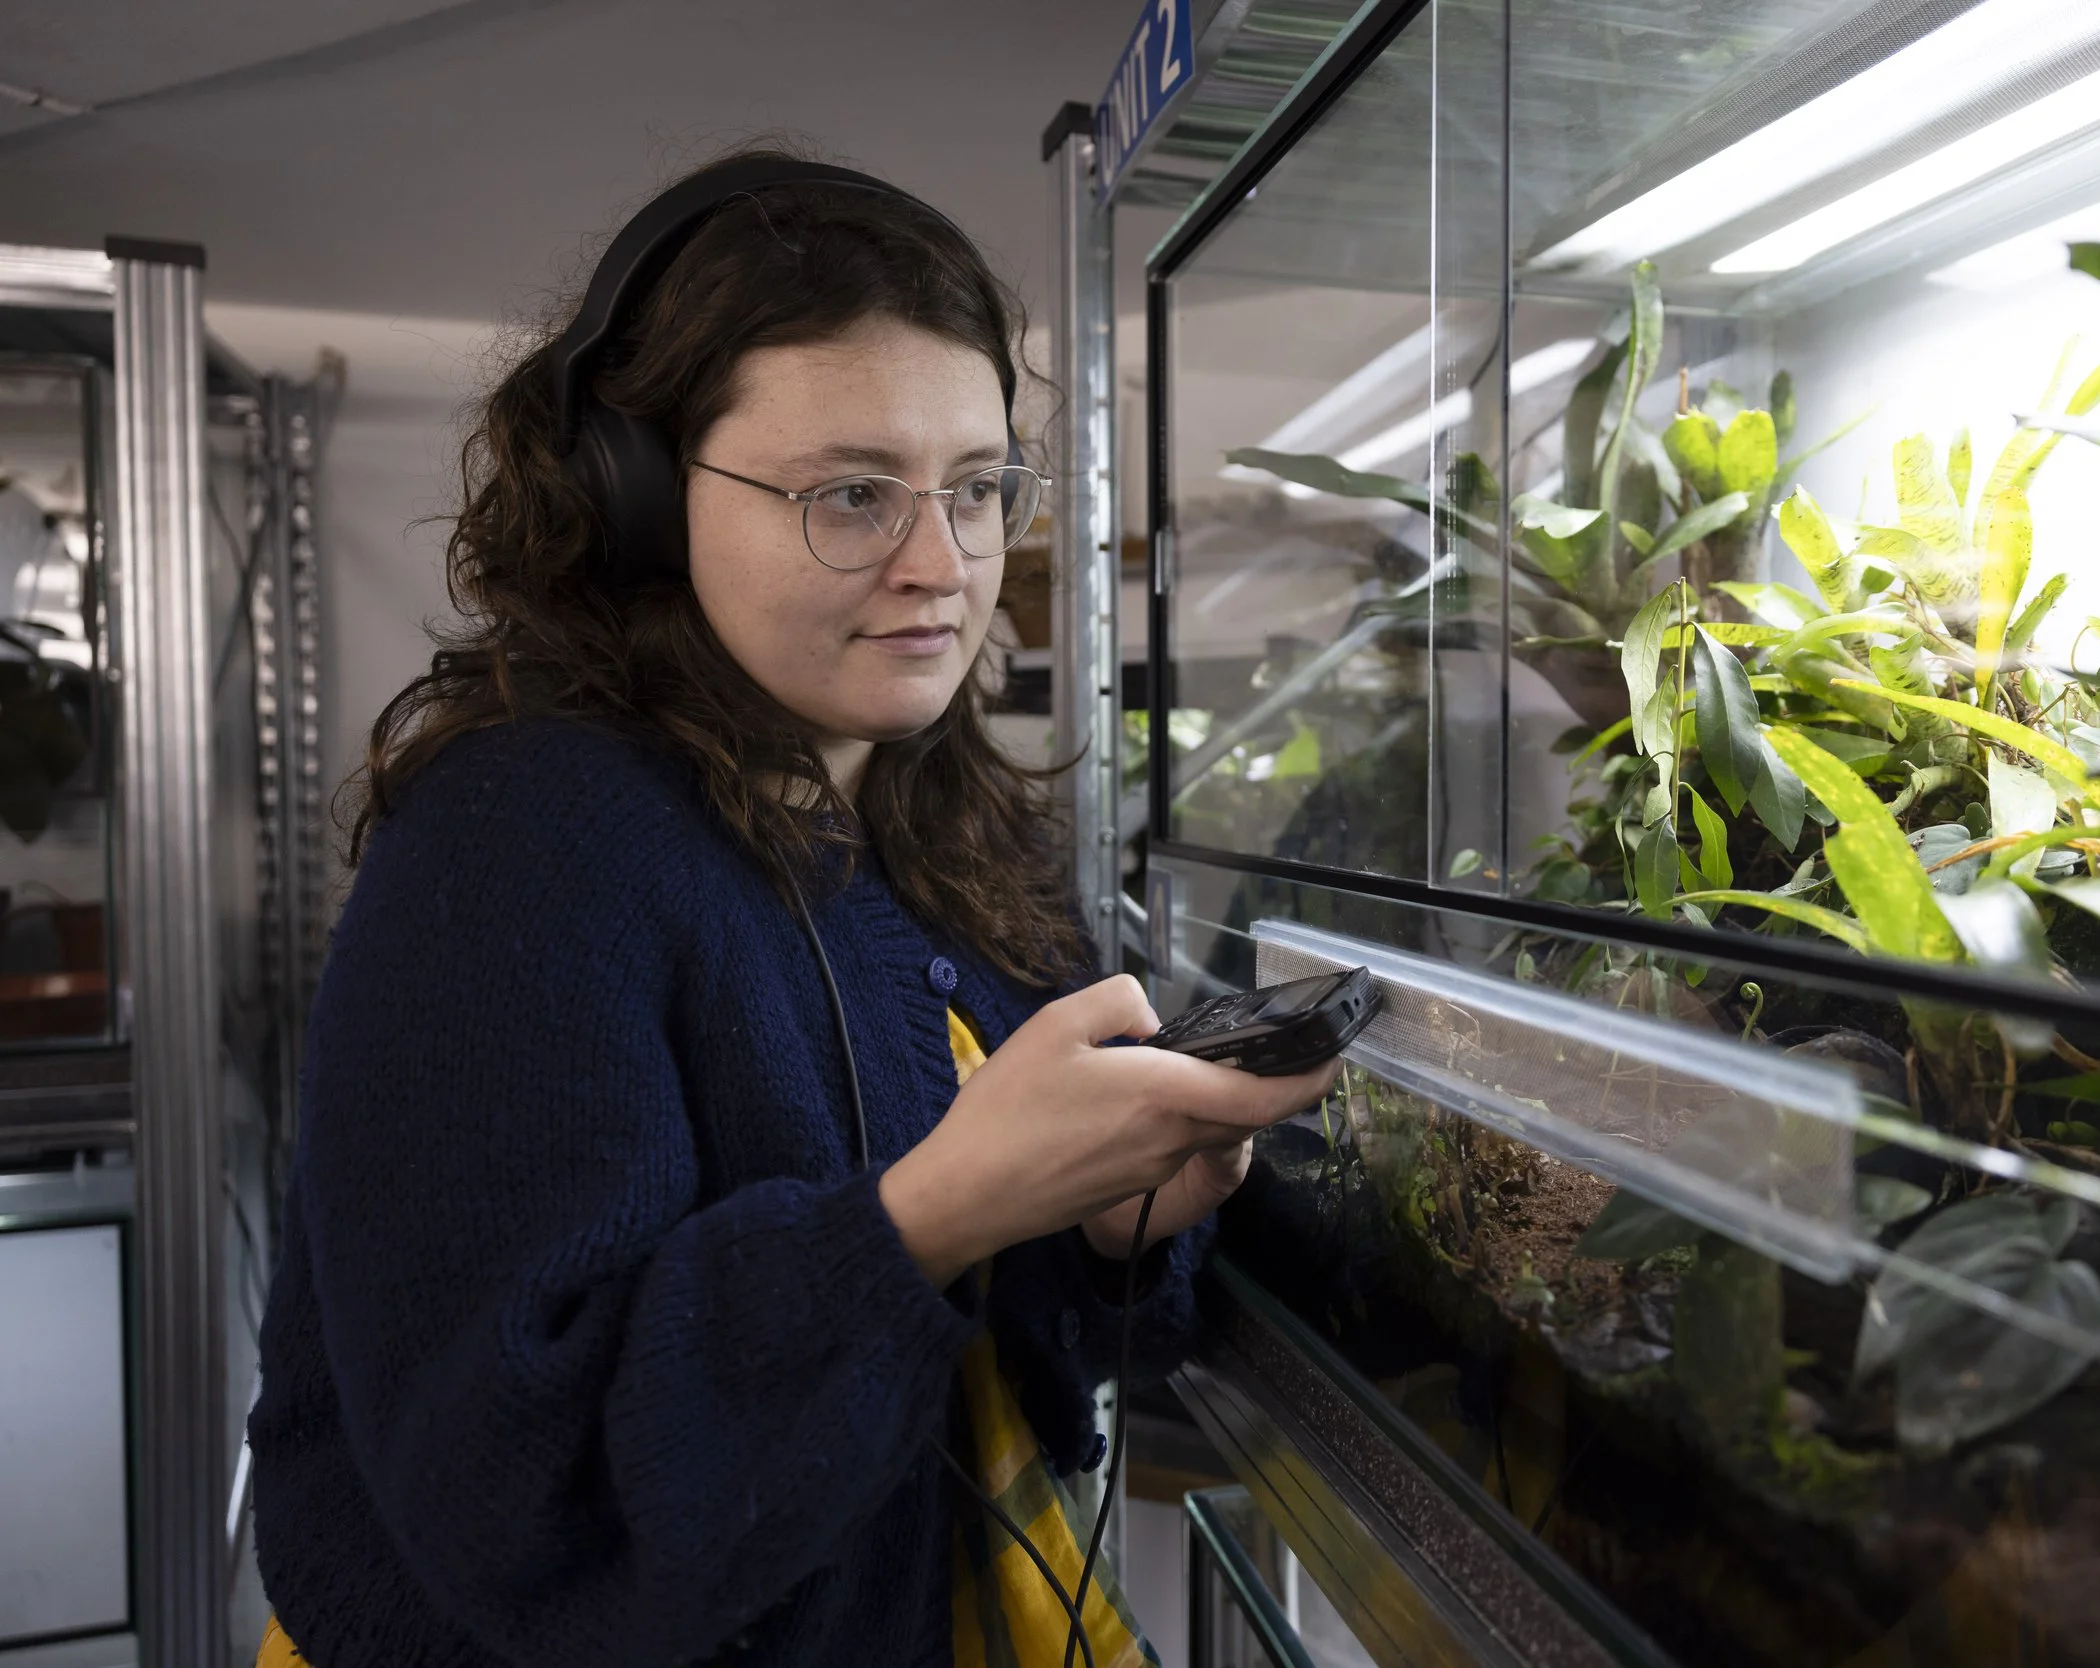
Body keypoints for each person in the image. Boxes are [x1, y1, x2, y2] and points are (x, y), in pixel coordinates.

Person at [247, 151, 1336, 1668]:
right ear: (634, 492)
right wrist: (944, 1204)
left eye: (975, 491)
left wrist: (1101, 1223)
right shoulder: (521, 843)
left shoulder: (948, 824)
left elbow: (1015, 1360)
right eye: (850, 497)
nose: (942, 569)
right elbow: (517, 1497)